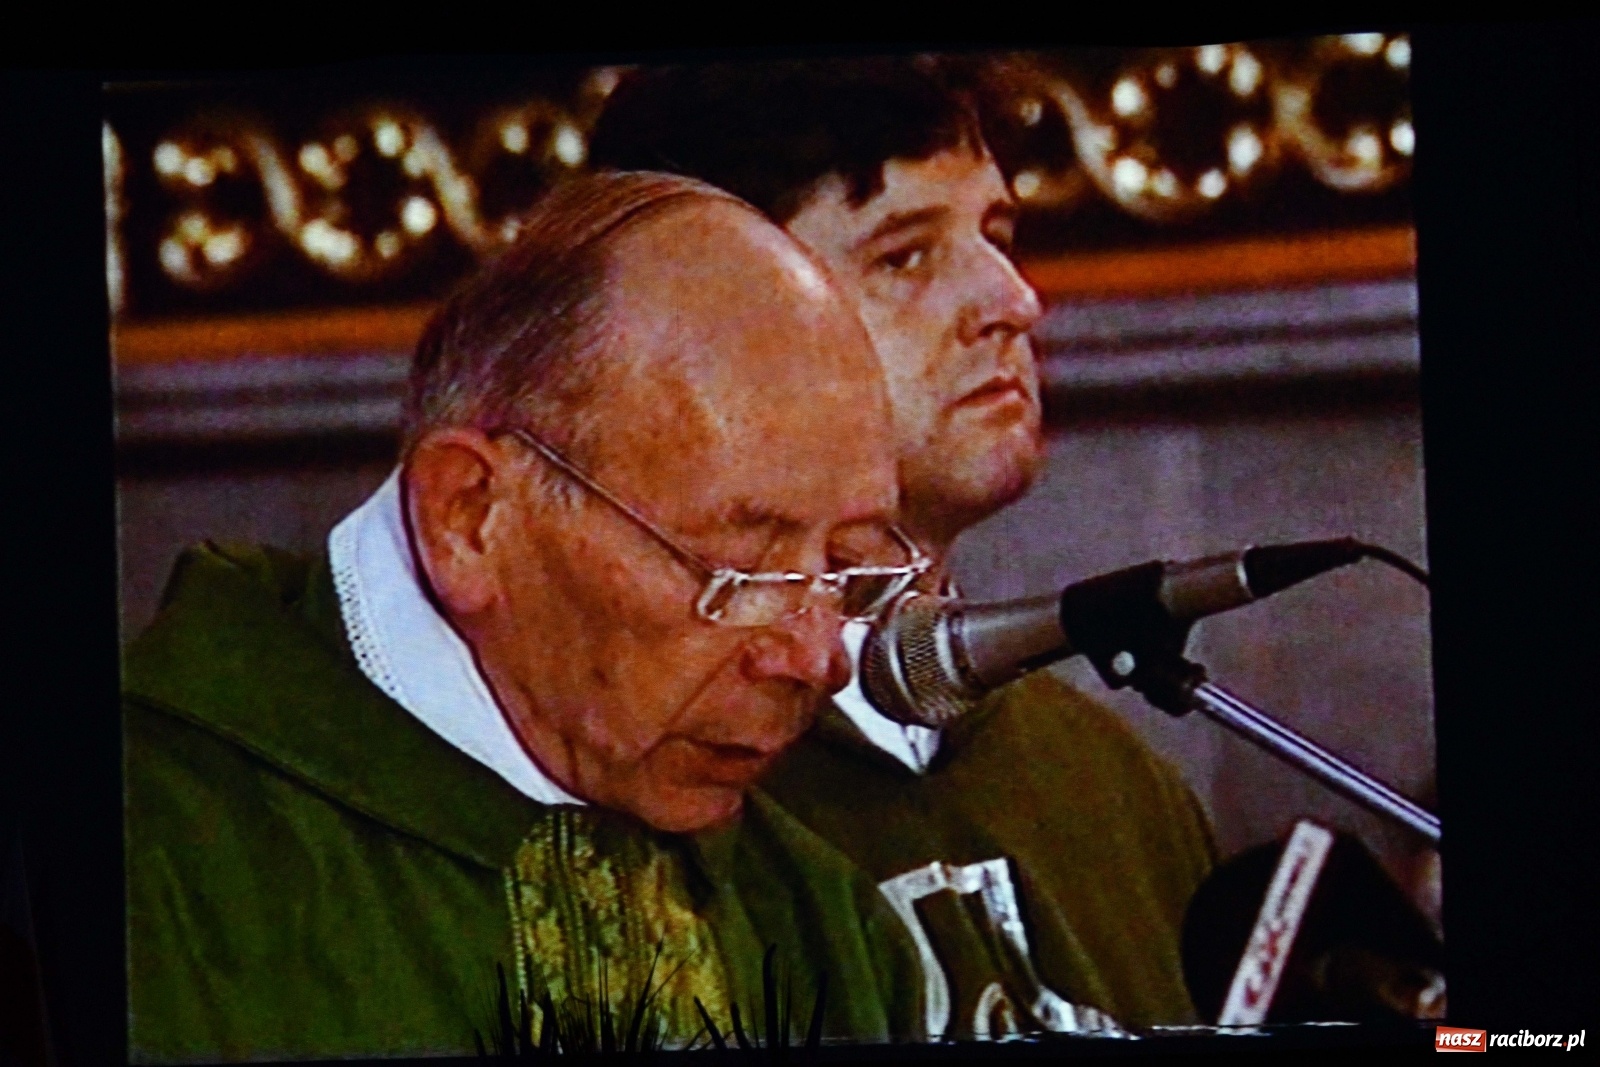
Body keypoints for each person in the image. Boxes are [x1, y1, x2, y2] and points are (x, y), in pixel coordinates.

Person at [123, 171, 929, 1060]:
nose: (814, 655)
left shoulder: (822, 922)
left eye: (846, 566)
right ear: (470, 516)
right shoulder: (149, 859)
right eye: (738, 571)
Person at [589, 58, 1217, 1038]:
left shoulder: (1113, 782)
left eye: (998, 235)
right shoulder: (621, 781)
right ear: (698, 330)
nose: (1013, 299)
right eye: (905, 256)